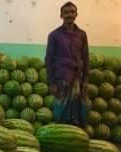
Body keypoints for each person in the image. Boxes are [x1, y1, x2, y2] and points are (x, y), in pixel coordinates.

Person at [44, 1, 90, 129]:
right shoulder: (54, 35)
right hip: (61, 81)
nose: (69, 15)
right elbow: (48, 60)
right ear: (61, 15)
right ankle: (62, 140)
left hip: (78, 80)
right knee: (61, 113)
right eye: (66, 12)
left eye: (72, 12)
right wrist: (52, 83)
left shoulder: (82, 34)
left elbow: (85, 57)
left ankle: (78, 140)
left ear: (76, 14)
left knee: (83, 110)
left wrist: (86, 79)